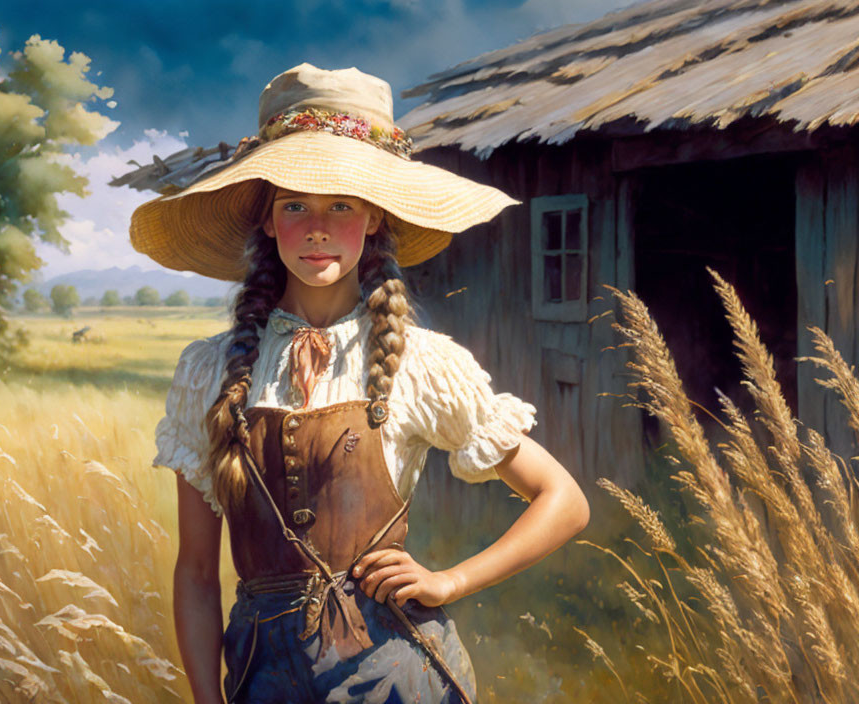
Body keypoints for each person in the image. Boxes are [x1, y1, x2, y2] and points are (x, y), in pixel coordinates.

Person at [131, 63, 590, 704]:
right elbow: (197, 574)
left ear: (373, 217)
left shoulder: (420, 362)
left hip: (395, 668)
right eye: (295, 204)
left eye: (341, 204)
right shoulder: (208, 370)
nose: (317, 227)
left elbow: (563, 500)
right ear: (267, 219)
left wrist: (450, 582)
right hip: (261, 673)